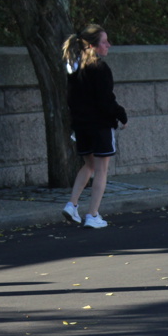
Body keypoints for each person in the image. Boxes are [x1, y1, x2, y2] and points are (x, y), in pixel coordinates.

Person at [61, 24, 128, 229]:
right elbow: (106, 99)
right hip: (99, 125)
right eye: (104, 42)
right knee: (101, 169)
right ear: (92, 45)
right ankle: (92, 214)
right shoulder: (100, 68)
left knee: (89, 165)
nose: (108, 45)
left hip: (81, 126)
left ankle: (72, 204)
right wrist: (121, 114)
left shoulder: (74, 69)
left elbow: (72, 100)